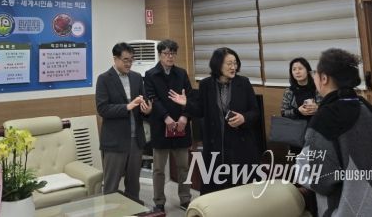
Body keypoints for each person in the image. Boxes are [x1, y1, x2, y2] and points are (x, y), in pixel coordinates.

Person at [296, 48, 372, 216]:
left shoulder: (326, 118)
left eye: (316, 73)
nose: (314, 77)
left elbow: (321, 179)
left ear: (324, 78)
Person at [169, 47, 259, 194]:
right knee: (215, 190)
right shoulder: (206, 84)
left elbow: (255, 112)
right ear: (218, 64)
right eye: (229, 63)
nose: (233, 67)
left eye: (235, 63)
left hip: (240, 145)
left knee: (240, 190)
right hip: (215, 145)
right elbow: (200, 111)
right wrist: (187, 103)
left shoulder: (243, 83)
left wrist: (244, 118)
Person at [95, 42, 152, 201]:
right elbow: (102, 109)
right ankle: (110, 211)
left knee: (133, 184)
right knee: (111, 185)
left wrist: (147, 110)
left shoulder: (136, 77)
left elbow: (143, 102)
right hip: (115, 140)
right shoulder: (104, 79)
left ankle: (134, 210)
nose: (129, 63)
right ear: (115, 59)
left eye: (131, 60)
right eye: (125, 60)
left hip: (136, 139)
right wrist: (127, 107)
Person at [144, 39, 192, 212]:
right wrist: (165, 117)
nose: (170, 56)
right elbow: (152, 98)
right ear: (160, 54)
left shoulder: (182, 73)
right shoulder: (150, 74)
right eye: (166, 53)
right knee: (158, 169)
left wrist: (185, 117)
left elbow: (190, 97)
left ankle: (185, 198)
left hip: (181, 125)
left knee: (183, 167)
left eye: (173, 53)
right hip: (160, 126)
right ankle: (159, 202)